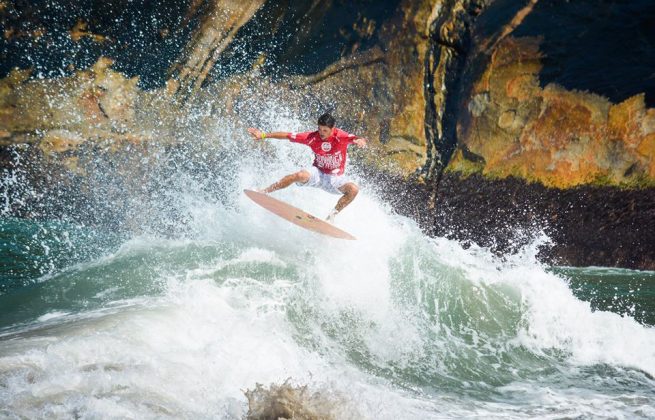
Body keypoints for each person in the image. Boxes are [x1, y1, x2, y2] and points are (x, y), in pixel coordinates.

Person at [247, 112, 368, 222]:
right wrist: (263, 135)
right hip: (318, 173)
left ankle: (331, 218)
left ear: (333, 129)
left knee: (353, 189)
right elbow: (287, 135)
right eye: (320, 129)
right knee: (299, 175)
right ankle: (264, 191)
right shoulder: (312, 137)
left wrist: (361, 141)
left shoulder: (340, 136)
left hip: (336, 178)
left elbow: (356, 138)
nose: (321, 133)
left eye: (325, 130)